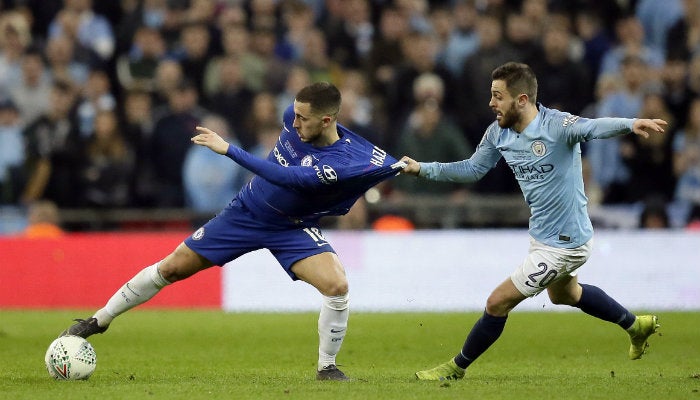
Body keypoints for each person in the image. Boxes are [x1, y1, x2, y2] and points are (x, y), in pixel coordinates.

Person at [59, 82, 406, 381]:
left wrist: (228, 150)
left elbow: (285, 177)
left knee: (337, 285)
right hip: (246, 213)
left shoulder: (337, 160)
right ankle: (98, 320)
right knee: (171, 268)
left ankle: (327, 367)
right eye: (295, 114)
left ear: (327, 120)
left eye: (303, 117)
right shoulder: (294, 119)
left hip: (291, 227)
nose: (293, 120)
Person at [400, 62, 664, 381]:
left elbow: (594, 127)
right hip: (542, 236)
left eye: (498, 96)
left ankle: (455, 368)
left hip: (565, 243)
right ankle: (636, 326)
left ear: (522, 100)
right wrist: (422, 169)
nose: (491, 103)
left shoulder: (557, 126)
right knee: (566, 295)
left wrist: (631, 123)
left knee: (497, 302)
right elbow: (472, 169)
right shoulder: (498, 133)